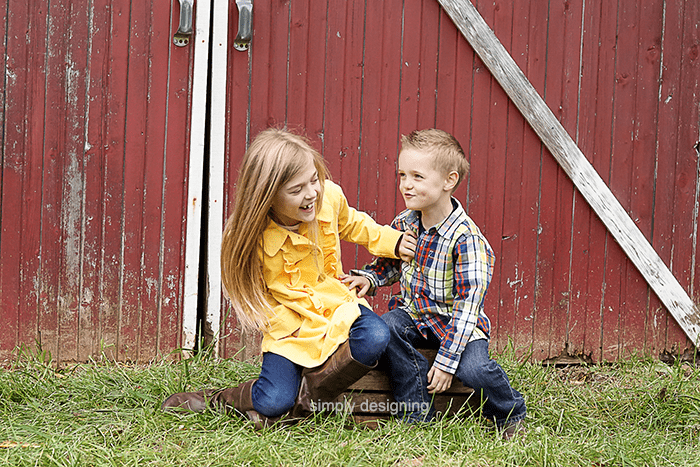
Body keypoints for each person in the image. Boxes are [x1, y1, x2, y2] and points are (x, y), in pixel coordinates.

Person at [161, 128, 414, 428]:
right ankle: (220, 399)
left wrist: (393, 242)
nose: (311, 194)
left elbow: (356, 225)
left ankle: (300, 410)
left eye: (314, 180)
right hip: (290, 325)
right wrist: (284, 326)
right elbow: (254, 297)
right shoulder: (252, 238)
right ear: (266, 197)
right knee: (272, 400)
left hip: (335, 309)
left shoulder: (328, 198)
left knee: (375, 336)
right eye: (296, 190)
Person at [344, 129, 526, 439]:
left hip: (457, 325)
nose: (406, 184)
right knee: (388, 325)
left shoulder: (467, 239)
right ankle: (415, 410)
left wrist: (445, 363)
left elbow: (468, 307)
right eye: (402, 174)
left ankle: (508, 410)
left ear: (448, 181)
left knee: (474, 371)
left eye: (417, 176)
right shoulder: (406, 222)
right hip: (415, 315)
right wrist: (370, 278)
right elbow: (392, 263)